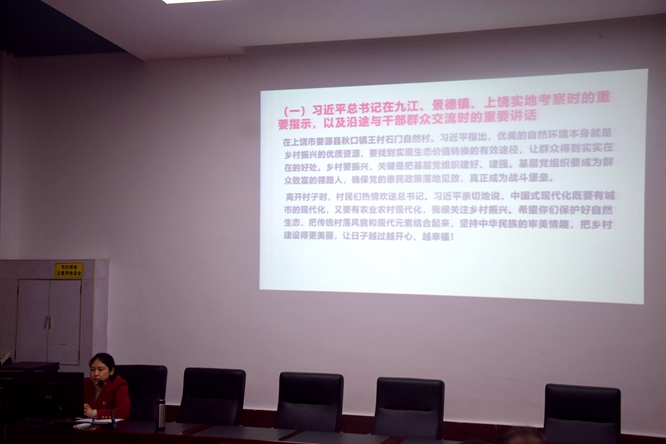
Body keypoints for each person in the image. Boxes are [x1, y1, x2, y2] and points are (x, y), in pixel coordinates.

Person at [83, 353, 131, 420]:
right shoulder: (85, 383)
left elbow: (123, 412)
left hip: (109, 426)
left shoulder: (118, 384)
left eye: (100, 369)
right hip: (84, 425)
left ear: (111, 371)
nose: (95, 374)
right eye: (92, 369)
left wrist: (94, 413)